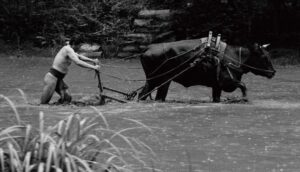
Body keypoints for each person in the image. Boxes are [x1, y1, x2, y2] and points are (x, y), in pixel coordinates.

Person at [40, 38, 101, 104]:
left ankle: (58, 109)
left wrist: (93, 60)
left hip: (59, 79)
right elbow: (78, 62)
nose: (79, 48)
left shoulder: (71, 50)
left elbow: (79, 57)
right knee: (44, 104)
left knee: (67, 98)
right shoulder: (67, 49)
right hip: (52, 78)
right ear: (74, 44)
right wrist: (94, 67)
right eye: (79, 46)